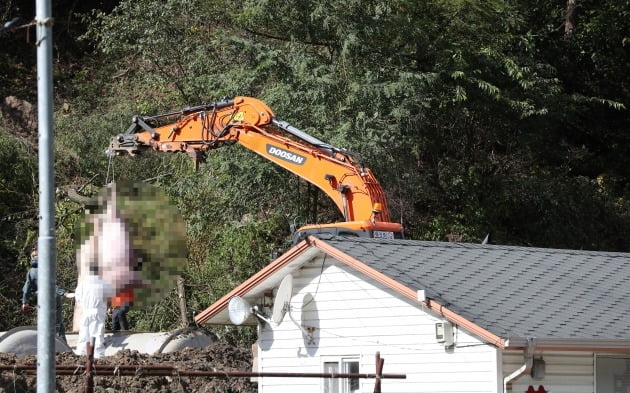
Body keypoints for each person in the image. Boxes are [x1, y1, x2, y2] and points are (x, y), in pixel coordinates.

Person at [21, 248, 72, 343]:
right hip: (54, 298)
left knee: (43, 323)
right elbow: (53, 285)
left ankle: (45, 345)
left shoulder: (31, 272)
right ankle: (62, 346)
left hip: (42, 300)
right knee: (57, 323)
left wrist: (25, 302)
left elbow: (26, 289)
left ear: (32, 258)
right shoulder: (48, 269)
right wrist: (64, 293)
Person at [74, 264, 114, 359]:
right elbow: (109, 298)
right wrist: (109, 308)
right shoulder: (104, 283)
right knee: (97, 334)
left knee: (84, 334)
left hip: (86, 311)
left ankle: (81, 354)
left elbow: (78, 298)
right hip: (98, 311)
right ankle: (98, 356)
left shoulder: (83, 284)